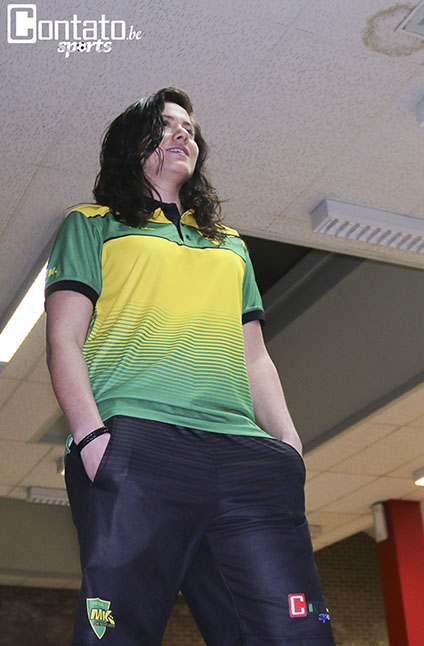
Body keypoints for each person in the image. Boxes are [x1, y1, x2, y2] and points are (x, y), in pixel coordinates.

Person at [45, 88, 334, 645]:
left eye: (190, 128)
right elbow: (64, 337)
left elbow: (254, 354)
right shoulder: (91, 223)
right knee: (118, 633)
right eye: (165, 124)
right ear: (132, 144)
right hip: (137, 440)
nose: (183, 133)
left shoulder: (230, 244)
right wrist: (91, 436)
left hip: (244, 451)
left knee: (293, 633)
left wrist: (289, 443)